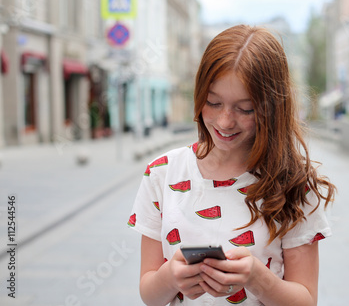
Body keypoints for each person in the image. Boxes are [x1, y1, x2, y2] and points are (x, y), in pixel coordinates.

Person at [127, 24, 336, 305]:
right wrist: (170, 278)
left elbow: (306, 300)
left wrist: (257, 279)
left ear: (272, 107)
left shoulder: (294, 183)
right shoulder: (162, 173)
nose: (225, 122)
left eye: (245, 109)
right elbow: (149, 295)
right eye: (213, 102)